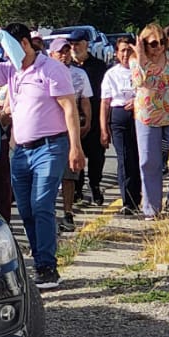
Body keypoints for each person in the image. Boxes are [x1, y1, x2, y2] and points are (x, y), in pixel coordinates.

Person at [0, 23, 83, 291]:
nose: (8, 53)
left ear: (24, 43)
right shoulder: (11, 72)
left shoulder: (52, 69)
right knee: (28, 209)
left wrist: (75, 147)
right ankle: (39, 260)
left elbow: (69, 108)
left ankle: (47, 267)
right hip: (20, 150)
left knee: (42, 204)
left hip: (50, 146)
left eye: (11, 46)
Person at [130, 22, 169, 219]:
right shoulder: (135, 59)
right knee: (149, 161)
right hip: (148, 115)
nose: (159, 47)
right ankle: (152, 208)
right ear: (143, 43)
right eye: (153, 43)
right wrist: (143, 60)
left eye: (162, 42)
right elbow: (139, 82)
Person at [47, 38, 92, 233]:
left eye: (66, 51)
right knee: (48, 175)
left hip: (69, 129)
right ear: (52, 55)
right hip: (49, 129)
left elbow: (84, 100)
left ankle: (67, 212)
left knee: (69, 174)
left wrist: (87, 121)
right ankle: (48, 215)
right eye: (60, 52)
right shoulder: (43, 73)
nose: (64, 55)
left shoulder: (78, 74)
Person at [100, 38, 143, 215]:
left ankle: (141, 196)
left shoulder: (140, 69)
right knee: (124, 158)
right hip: (119, 116)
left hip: (140, 115)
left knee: (140, 157)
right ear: (117, 53)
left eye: (129, 51)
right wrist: (103, 129)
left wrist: (137, 101)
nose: (125, 55)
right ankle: (128, 201)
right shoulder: (111, 74)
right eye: (122, 51)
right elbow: (105, 102)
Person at [68, 30, 109, 206]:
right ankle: (77, 189)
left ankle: (95, 185)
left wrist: (104, 125)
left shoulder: (98, 67)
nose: (74, 47)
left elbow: (104, 96)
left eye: (77, 44)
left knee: (96, 156)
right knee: (76, 155)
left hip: (95, 117)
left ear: (86, 44)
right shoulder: (65, 68)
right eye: (71, 44)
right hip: (72, 119)